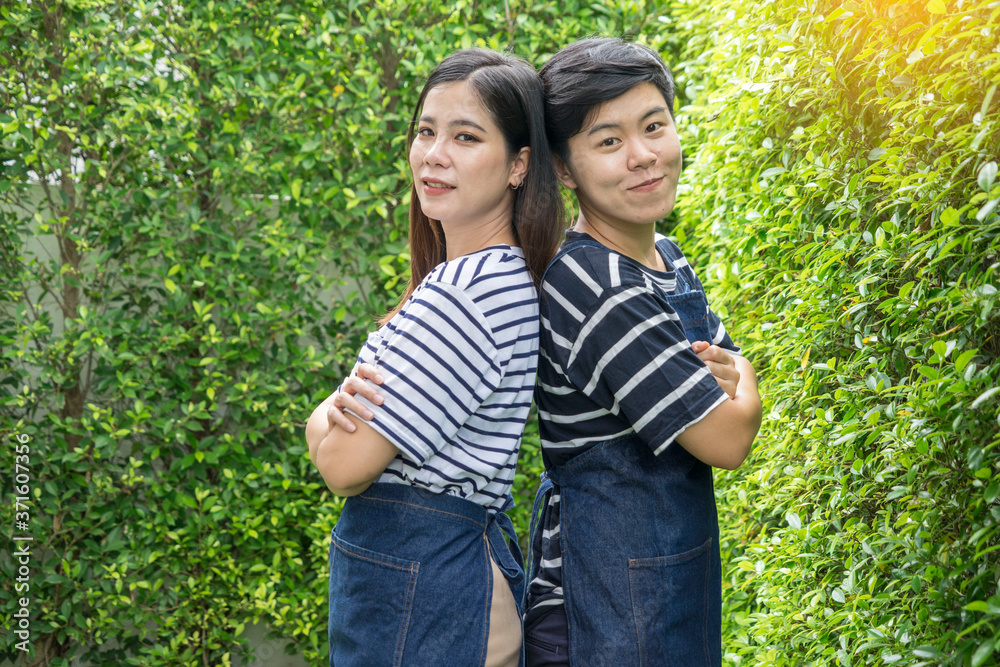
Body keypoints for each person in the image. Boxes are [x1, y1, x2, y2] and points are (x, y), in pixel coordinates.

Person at [305, 48, 563, 666]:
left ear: (519, 165)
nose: (433, 154)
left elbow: (345, 463)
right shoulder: (487, 278)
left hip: (430, 592)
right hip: (435, 586)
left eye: (465, 136)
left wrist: (321, 418)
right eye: (425, 131)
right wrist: (333, 420)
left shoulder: (465, 297)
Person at [521, 38, 763, 666]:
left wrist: (730, 379)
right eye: (608, 142)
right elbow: (727, 438)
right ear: (564, 170)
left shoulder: (665, 258)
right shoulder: (594, 284)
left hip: (664, 587)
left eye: (654, 126)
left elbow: (724, 392)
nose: (643, 156)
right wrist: (746, 373)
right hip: (607, 608)